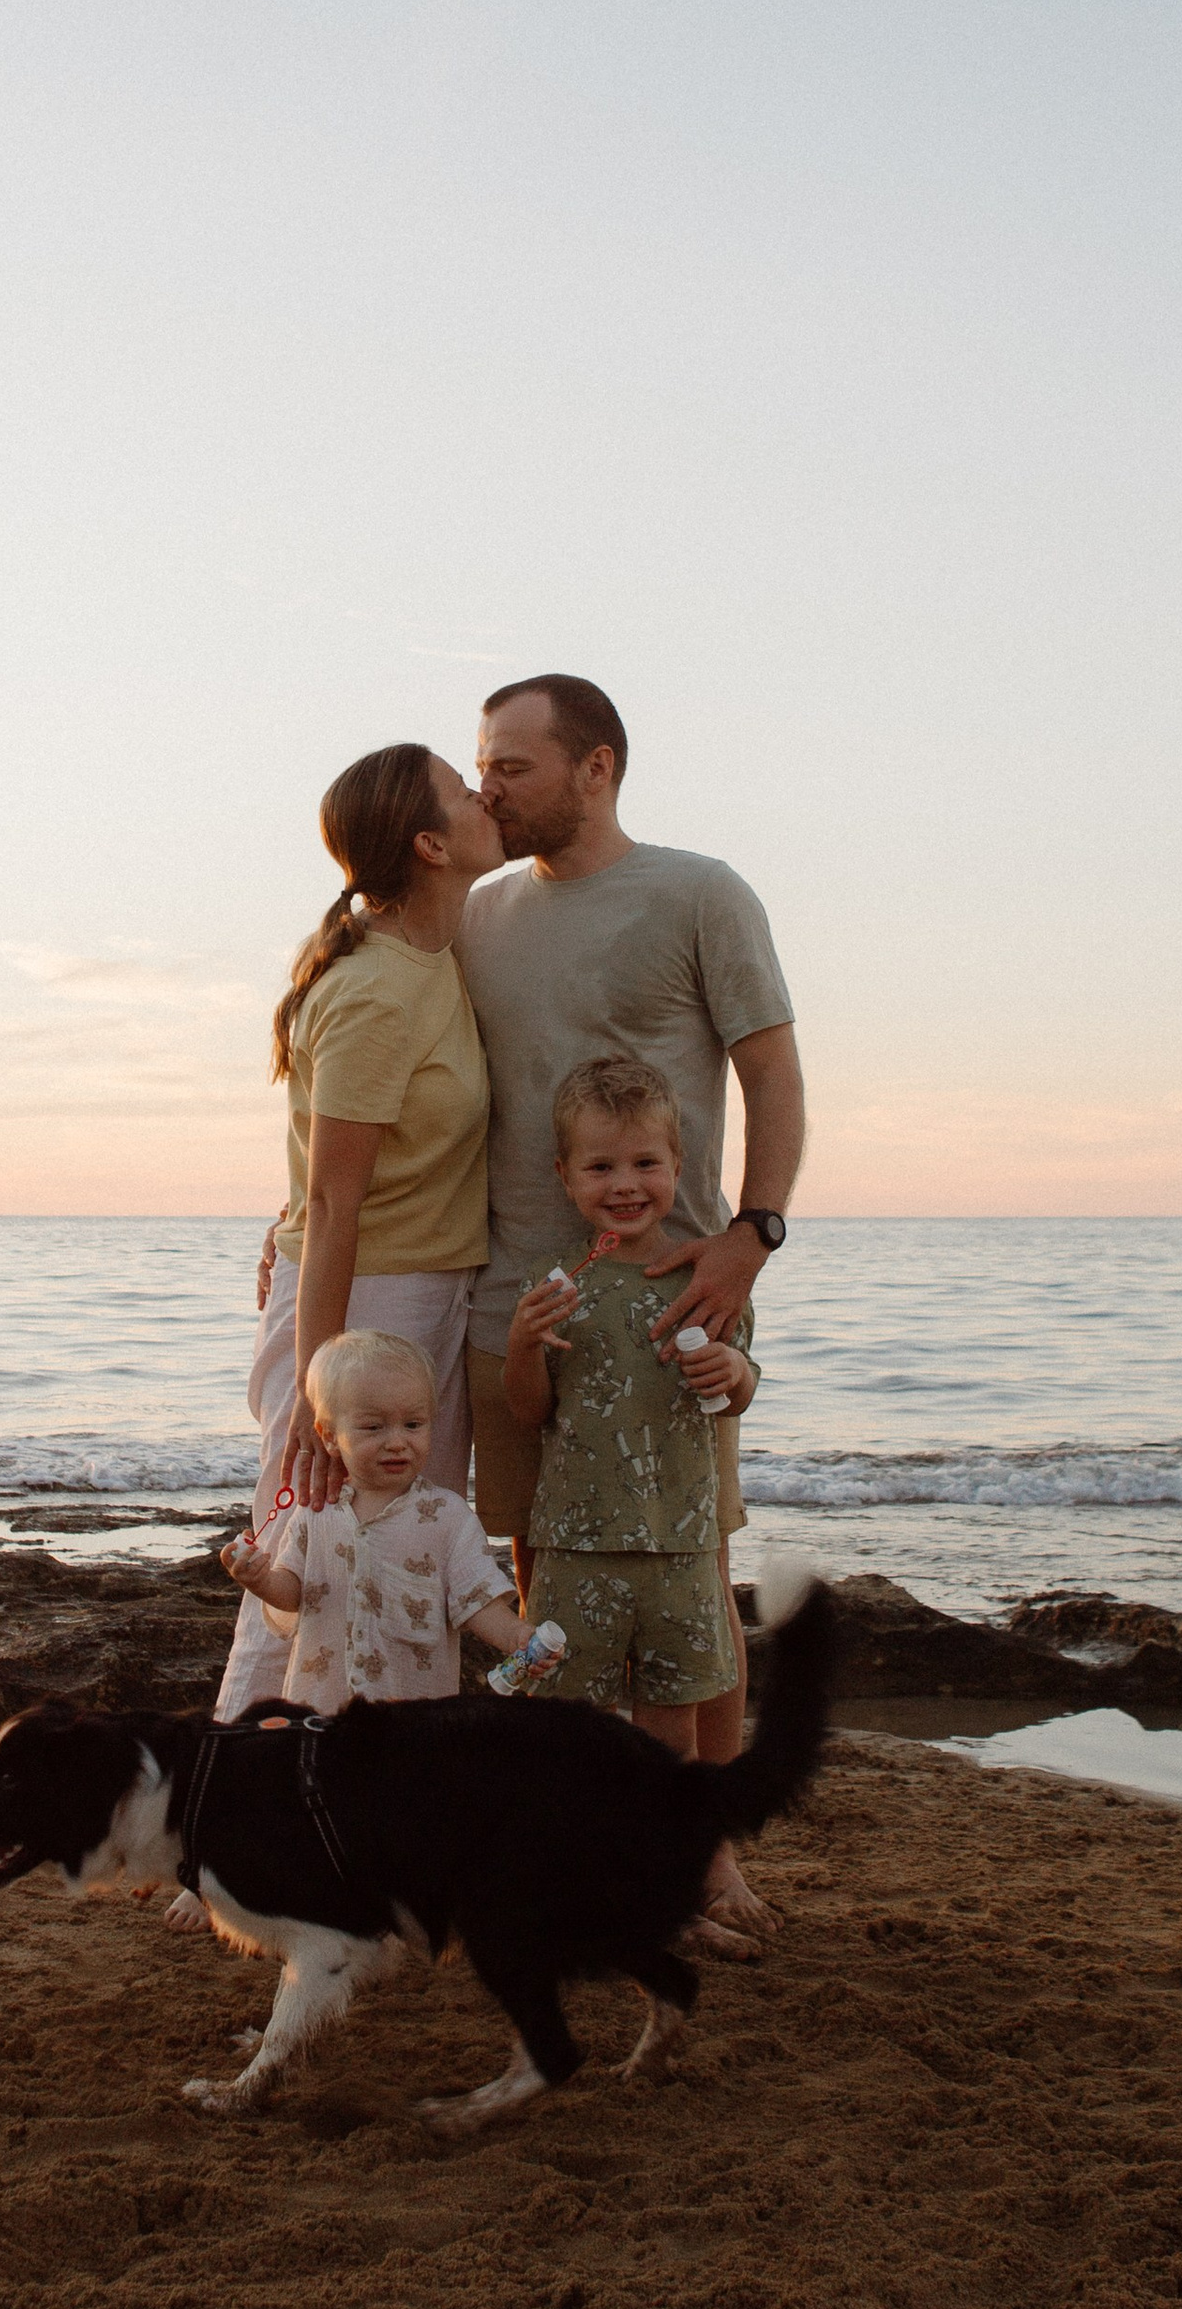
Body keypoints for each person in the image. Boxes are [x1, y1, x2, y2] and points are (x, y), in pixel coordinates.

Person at [462, 672, 803, 1935]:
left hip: (676, 1298)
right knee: (545, 1586)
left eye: (511, 765)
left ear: (594, 766)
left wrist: (750, 1237)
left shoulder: (698, 892)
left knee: (691, 1578)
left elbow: (773, 1071)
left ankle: (701, 1858)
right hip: (519, 1303)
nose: (488, 786)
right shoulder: (480, 914)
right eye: (483, 766)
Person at [217, 740, 504, 1724]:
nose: (485, 794)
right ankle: (217, 1836)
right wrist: (313, 1388)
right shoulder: (379, 991)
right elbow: (335, 1203)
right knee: (306, 1554)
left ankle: (361, 1813)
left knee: (398, 1564)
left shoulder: (433, 960)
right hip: (360, 1306)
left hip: (419, 1291)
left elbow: (323, 1178)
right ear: (430, 844)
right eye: (465, 791)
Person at [501, 1057, 758, 1736]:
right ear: (565, 1175)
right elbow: (529, 1413)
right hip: (574, 1547)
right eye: (600, 1167)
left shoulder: (709, 1281)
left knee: (671, 1724)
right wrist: (525, 1344)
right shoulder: (550, 1287)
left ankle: (661, 1844)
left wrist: (733, 1371)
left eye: (646, 1163)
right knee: (563, 1727)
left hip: (683, 1547)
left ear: (678, 1165)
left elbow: (738, 1396)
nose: (625, 1185)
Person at [220, 1329, 546, 1715]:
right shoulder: (315, 1512)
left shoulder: (447, 1517)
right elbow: (292, 1593)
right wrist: (258, 1580)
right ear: (329, 1436)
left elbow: (476, 1601)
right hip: (323, 1710)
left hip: (412, 1721)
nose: (396, 1442)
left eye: (413, 1425)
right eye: (373, 1428)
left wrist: (516, 1636)